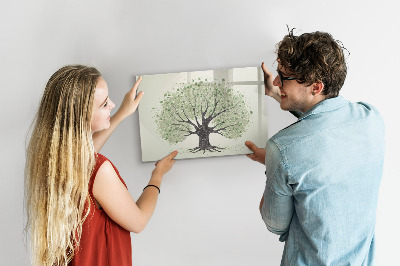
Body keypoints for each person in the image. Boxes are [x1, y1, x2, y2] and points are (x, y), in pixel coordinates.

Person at [245, 30, 385, 265]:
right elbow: (325, 124)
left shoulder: (282, 149)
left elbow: (275, 224)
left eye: (284, 77)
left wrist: (273, 163)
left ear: (316, 87)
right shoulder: (371, 118)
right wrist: (278, 94)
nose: (277, 81)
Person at [24, 65, 177, 266]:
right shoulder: (99, 170)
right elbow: (138, 221)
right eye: (105, 104)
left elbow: (86, 156)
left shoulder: (53, 159)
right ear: (81, 117)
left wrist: (122, 113)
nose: (112, 104)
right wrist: (157, 175)